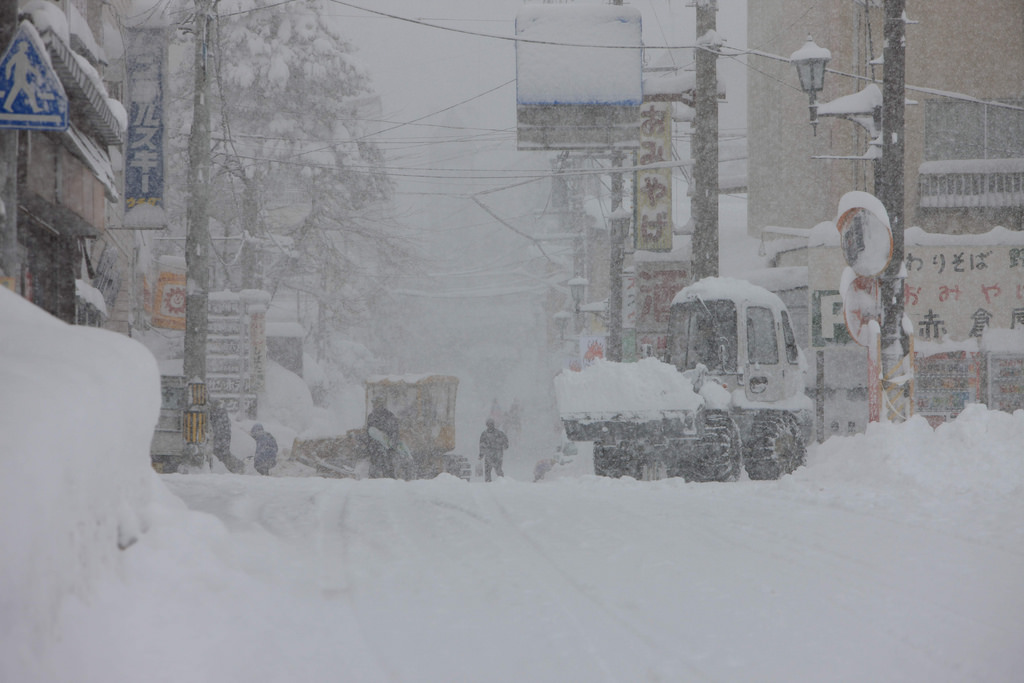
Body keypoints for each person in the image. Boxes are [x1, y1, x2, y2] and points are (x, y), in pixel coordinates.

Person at [366, 396, 400, 478]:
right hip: (375, 449)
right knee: (374, 472)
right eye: (373, 403)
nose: (374, 405)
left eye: (376, 403)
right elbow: (369, 433)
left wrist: (392, 444)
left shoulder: (389, 416)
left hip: (386, 449)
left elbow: (395, 432)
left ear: (381, 404)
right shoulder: (371, 416)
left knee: (387, 470)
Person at [209, 400, 242, 473]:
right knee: (224, 457)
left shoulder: (217, 416)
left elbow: (219, 431)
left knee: (223, 458)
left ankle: (239, 468)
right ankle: (239, 468)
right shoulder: (222, 415)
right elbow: (226, 431)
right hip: (222, 441)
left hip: (219, 442)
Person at [479, 418, 509, 482]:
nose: (490, 426)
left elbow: (505, 443)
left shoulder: (497, 433)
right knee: (491, 470)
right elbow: (482, 445)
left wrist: (481, 454)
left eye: (491, 424)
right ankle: (500, 481)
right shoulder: (486, 434)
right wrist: (481, 454)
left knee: (496, 470)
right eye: (489, 424)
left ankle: (501, 481)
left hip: (494, 455)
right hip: (492, 455)